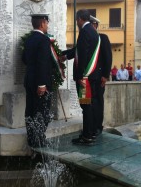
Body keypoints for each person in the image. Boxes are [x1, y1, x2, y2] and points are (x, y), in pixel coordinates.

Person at [61, 9, 100, 145]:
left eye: (76, 20)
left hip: (85, 79)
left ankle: (87, 136)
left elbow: (82, 56)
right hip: (92, 76)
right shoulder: (93, 32)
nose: (76, 23)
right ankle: (91, 132)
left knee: (86, 106)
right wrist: (64, 55)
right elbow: (78, 50)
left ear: (79, 19)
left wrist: (79, 76)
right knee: (90, 105)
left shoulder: (84, 32)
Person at [22, 13, 53, 148]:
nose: (47, 26)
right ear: (42, 23)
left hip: (29, 80)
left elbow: (24, 59)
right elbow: (42, 63)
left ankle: (31, 139)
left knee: (31, 110)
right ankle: (39, 140)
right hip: (40, 83)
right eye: (46, 23)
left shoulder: (29, 39)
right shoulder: (43, 40)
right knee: (42, 112)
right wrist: (41, 84)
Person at [89, 15, 112, 136]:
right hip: (87, 78)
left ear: (95, 26)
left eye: (92, 25)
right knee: (88, 102)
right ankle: (89, 126)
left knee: (98, 101)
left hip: (99, 78)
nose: (90, 27)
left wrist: (105, 75)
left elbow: (108, 57)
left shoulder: (102, 38)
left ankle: (98, 126)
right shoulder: (85, 39)